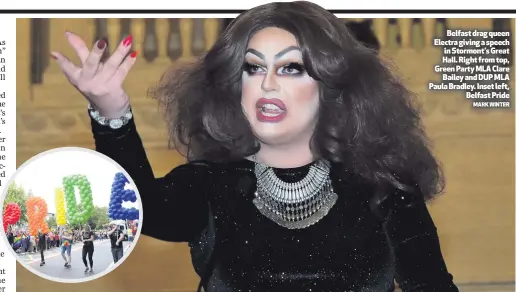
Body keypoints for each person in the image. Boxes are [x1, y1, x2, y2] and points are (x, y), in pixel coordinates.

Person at [52, 2, 459, 291]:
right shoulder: (208, 187)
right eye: (253, 67)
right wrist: (112, 113)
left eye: (291, 68)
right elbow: (134, 209)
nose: (267, 83)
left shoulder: (386, 188)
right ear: (236, 85)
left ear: (332, 86)